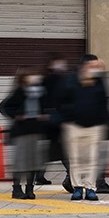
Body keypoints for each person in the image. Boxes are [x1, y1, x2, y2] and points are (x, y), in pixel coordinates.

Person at [59, 56, 109, 201]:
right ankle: (77, 187)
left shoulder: (99, 81)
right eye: (92, 66)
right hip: (74, 126)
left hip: (95, 126)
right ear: (84, 66)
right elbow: (63, 101)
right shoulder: (71, 79)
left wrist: (104, 123)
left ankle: (90, 188)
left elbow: (104, 102)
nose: (96, 69)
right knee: (76, 159)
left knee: (92, 159)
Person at [0, 70, 50, 200]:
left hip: (36, 131)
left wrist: (44, 115)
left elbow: (47, 106)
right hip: (22, 132)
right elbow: (4, 106)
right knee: (21, 162)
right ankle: (16, 188)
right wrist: (17, 115)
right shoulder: (19, 91)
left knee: (33, 162)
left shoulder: (40, 92)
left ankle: (30, 189)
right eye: (30, 76)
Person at [43, 54, 76, 193]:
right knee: (62, 152)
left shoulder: (58, 79)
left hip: (55, 122)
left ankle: (38, 175)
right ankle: (70, 178)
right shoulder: (52, 80)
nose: (61, 66)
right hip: (55, 122)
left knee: (54, 151)